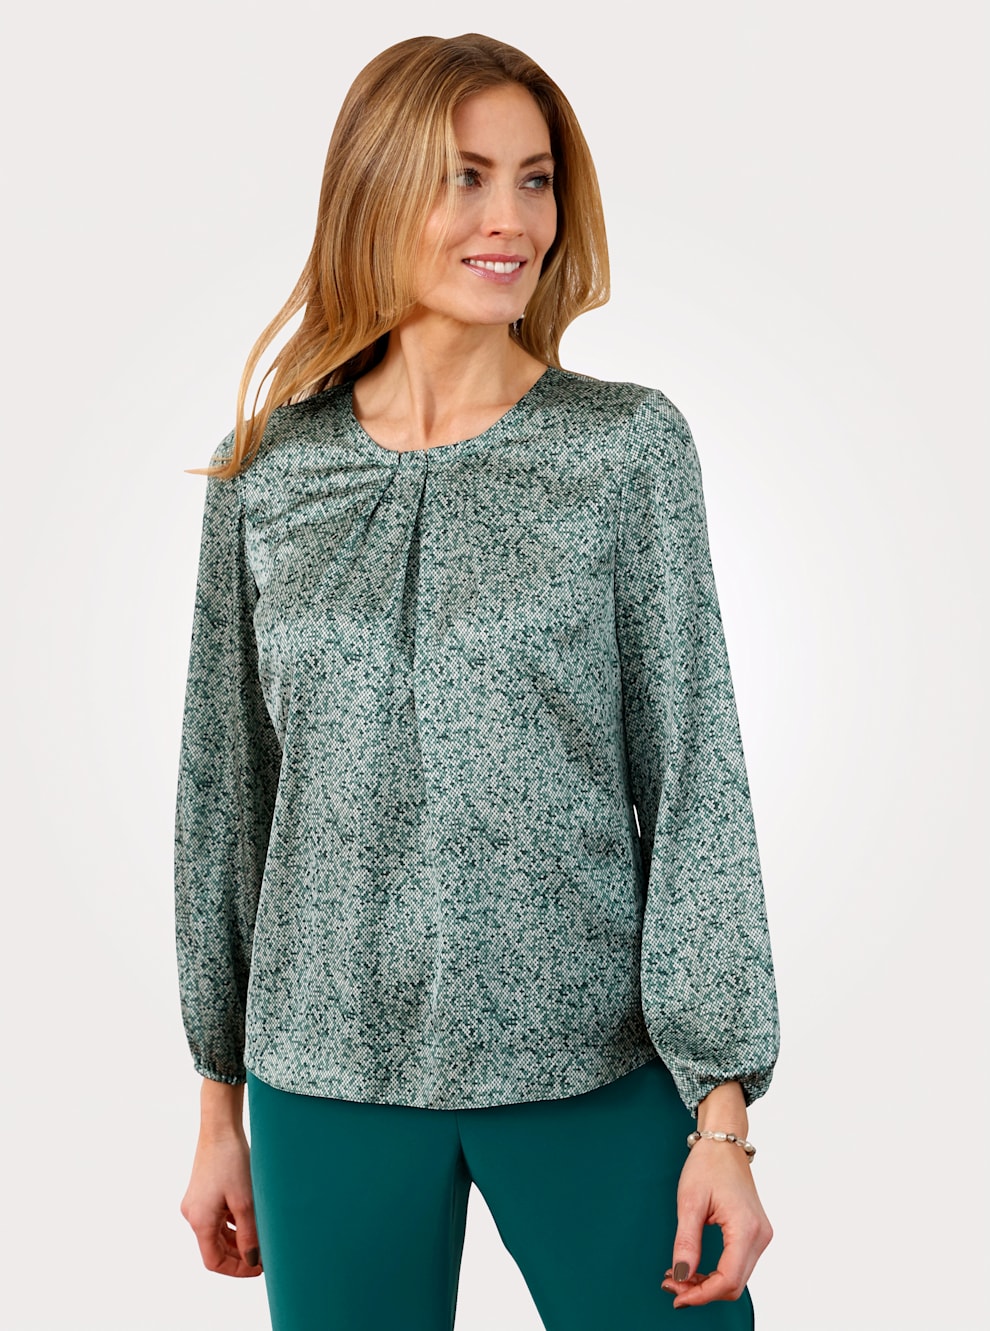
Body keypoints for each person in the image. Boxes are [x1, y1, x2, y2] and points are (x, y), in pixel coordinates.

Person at [174, 32, 780, 1331]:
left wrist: (722, 1115)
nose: (512, 218)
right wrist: (218, 1105)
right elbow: (225, 799)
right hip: (324, 1080)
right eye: (465, 177)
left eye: (535, 179)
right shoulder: (267, 472)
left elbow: (697, 783)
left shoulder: (624, 450)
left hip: (591, 1067)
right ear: (375, 193)